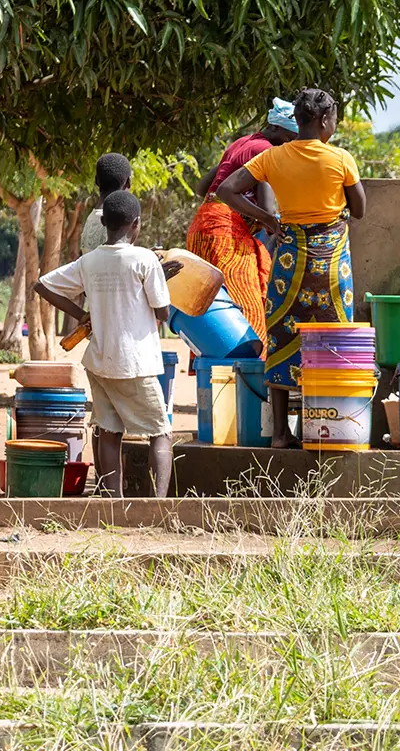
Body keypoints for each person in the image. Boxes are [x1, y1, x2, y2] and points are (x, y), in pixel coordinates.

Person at [217, 88, 366, 448]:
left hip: (290, 260)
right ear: (324, 120)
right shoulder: (340, 158)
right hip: (331, 265)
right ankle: (324, 428)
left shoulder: (273, 157)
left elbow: (226, 190)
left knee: (283, 337)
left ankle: (280, 434)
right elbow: (360, 209)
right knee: (331, 341)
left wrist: (268, 219)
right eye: (335, 119)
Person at [36, 191, 175, 498]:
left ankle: (112, 503)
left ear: (104, 224)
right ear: (136, 224)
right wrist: (162, 279)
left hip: (100, 361)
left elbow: (42, 285)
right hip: (135, 363)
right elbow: (163, 312)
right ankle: (159, 506)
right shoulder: (146, 259)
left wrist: (79, 314)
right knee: (160, 433)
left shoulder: (89, 262)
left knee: (110, 432)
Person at [186, 101, 298, 343]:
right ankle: (247, 364)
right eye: (290, 138)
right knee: (244, 306)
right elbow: (268, 209)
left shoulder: (241, 143)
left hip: (202, 226)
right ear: (276, 128)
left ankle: (210, 366)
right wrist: (272, 222)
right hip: (225, 233)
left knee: (209, 306)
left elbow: (202, 188)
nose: (291, 145)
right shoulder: (267, 152)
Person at [79, 153, 134, 255]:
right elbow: (119, 261)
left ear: (96, 181)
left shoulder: (91, 219)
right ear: (128, 182)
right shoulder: (117, 221)